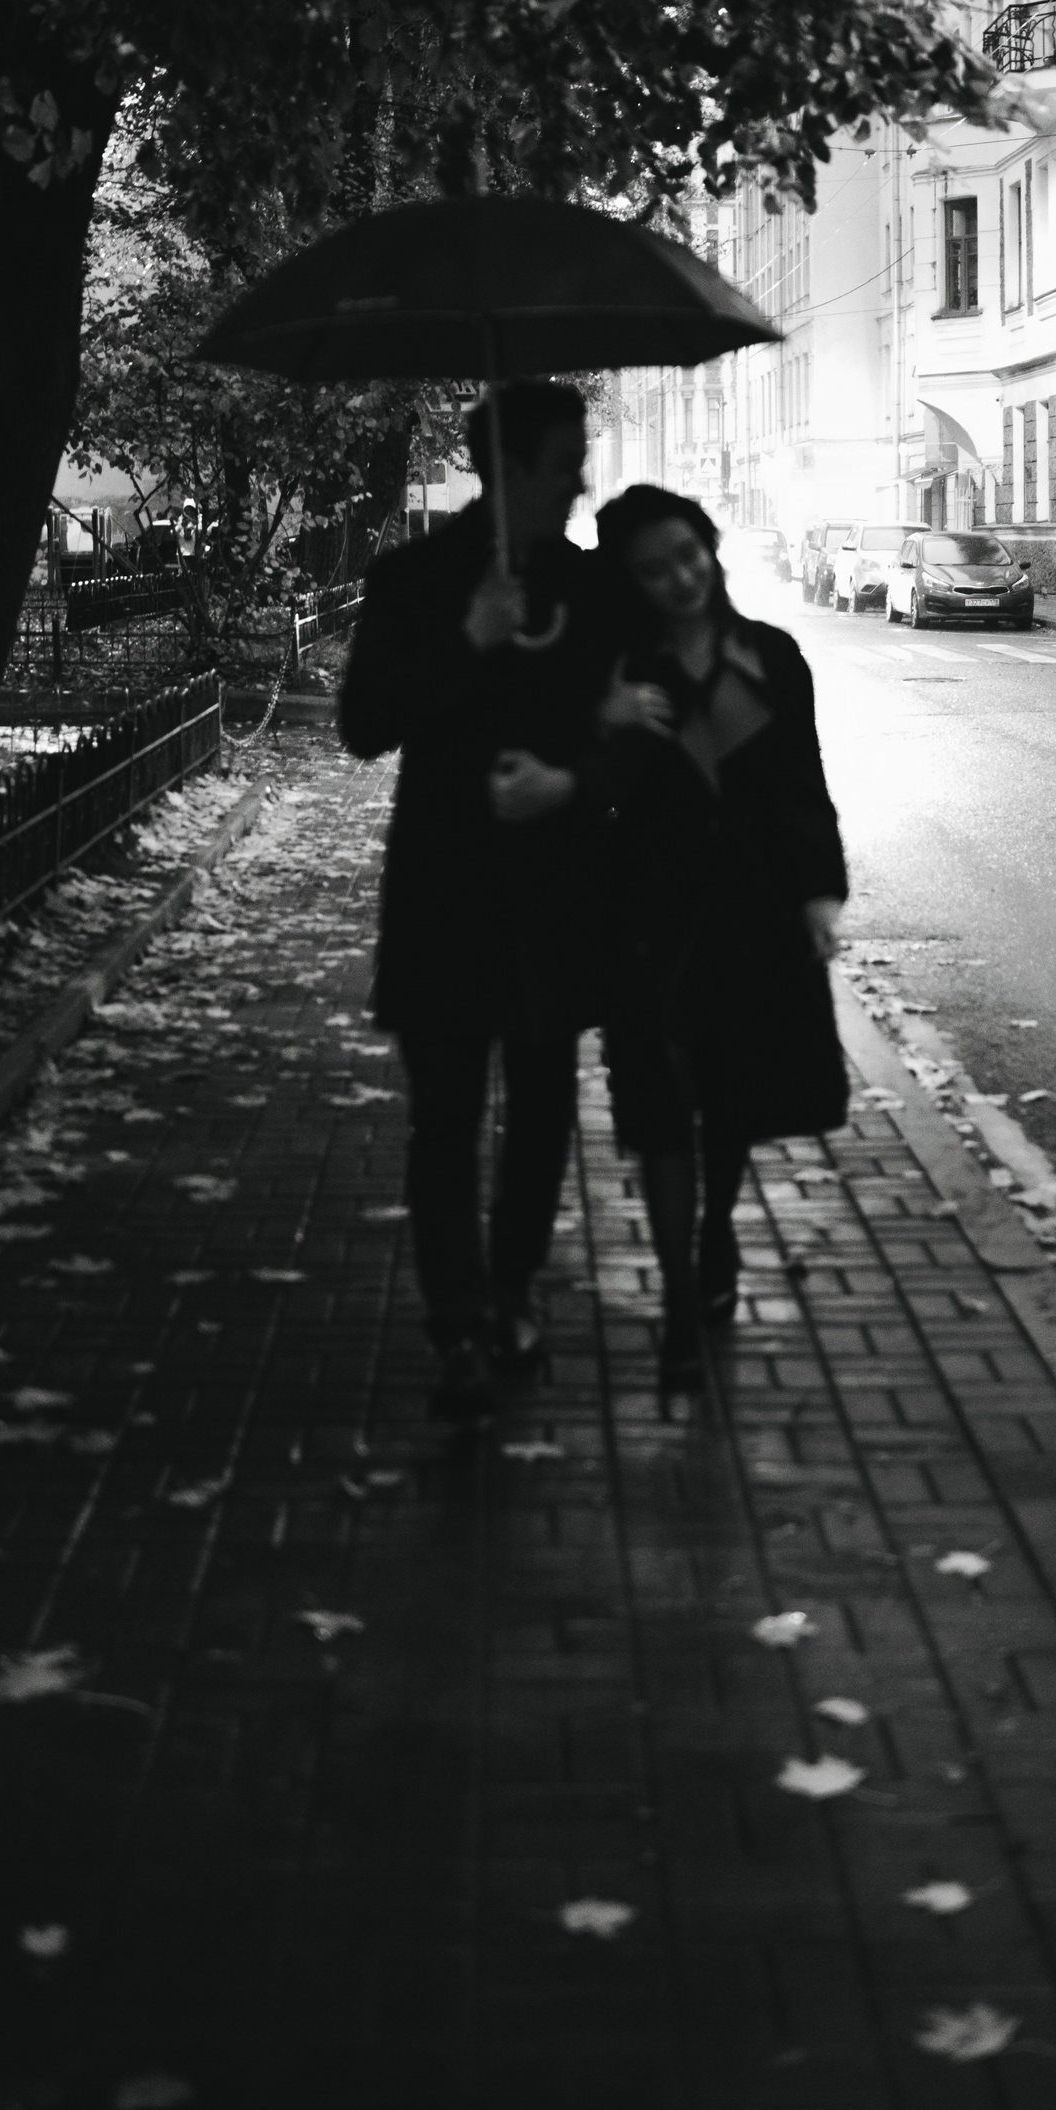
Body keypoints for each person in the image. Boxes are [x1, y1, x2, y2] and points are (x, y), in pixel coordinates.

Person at [339, 382, 603, 1421]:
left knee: (541, 1114)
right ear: (512, 469)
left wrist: (570, 778)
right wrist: (468, 643)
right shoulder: (412, 579)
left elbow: (626, 726)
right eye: (565, 461)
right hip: (445, 892)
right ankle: (457, 1320)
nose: (580, 479)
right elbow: (363, 724)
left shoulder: (587, 586)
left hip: (554, 893)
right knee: (445, 1122)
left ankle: (513, 1290)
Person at [590, 484, 848, 1392]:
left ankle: (713, 1232)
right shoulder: (619, 671)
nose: (679, 578)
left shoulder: (770, 657)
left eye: (687, 555)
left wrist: (819, 895)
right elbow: (597, 801)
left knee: (731, 1102)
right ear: (631, 581)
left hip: (752, 916)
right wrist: (604, 725)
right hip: (651, 923)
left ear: (709, 549)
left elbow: (803, 784)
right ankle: (677, 1301)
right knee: (664, 1111)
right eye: (653, 569)